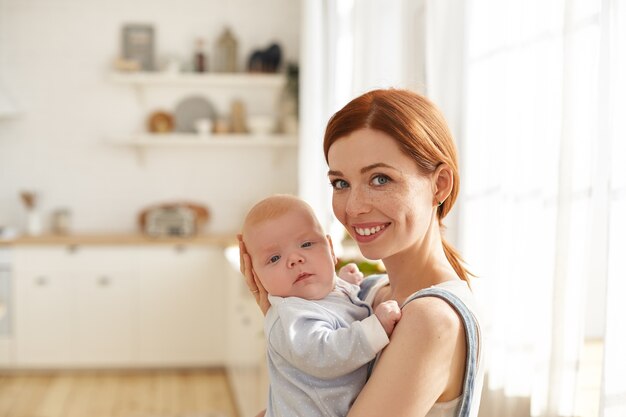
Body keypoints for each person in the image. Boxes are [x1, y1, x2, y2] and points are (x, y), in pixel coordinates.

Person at [239, 88, 484, 417]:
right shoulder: (368, 293)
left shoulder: (429, 319)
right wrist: (287, 321)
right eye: (340, 183)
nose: (353, 207)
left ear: (439, 185)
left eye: (380, 179)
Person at [239, 194, 402, 417]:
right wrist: (376, 328)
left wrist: (344, 284)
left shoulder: (320, 295)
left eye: (306, 244)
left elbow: (333, 307)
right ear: (256, 276)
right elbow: (326, 354)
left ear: (331, 250)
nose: (295, 259)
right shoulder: (290, 318)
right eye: (274, 258)